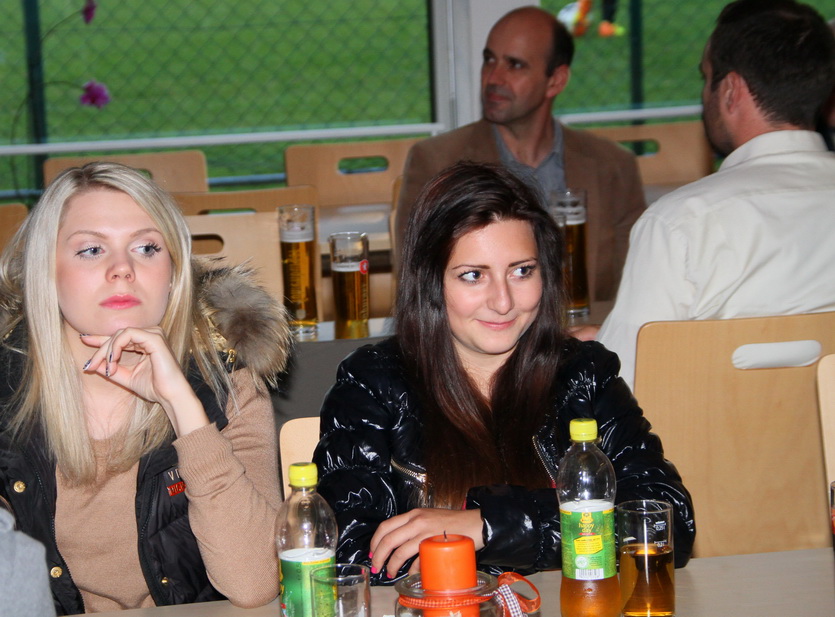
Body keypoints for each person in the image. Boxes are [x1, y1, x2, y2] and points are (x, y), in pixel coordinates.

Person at [314, 162, 695, 585]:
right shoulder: (372, 384)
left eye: (522, 271)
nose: (503, 301)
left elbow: (666, 524)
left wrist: (488, 525)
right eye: (473, 276)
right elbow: (349, 555)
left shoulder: (585, 374)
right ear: (431, 282)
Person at [0, 162, 291, 614]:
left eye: (147, 248)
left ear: (173, 272)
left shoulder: (227, 382)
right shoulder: (6, 390)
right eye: (91, 249)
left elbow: (255, 584)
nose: (123, 269)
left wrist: (183, 408)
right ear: (46, 272)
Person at [594, 0, 835, 390]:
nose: (704, 94)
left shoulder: (680, 223)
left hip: (713, 432)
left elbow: (621, 388)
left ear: (731, 90)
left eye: (706, 78)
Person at [395, 6, 646, 303]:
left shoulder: (612, 166)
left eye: (514, 65)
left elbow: (636, 287)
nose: (494, 77)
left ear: (556, 80)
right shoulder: (437, 163)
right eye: (489, 60)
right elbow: (419, 286)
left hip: (587, 329)